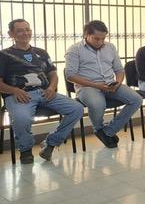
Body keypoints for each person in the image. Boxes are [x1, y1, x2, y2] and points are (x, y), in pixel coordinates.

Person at [0, 19, 83, 163]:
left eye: (27, 29)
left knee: (77, 108)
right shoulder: (4, 55)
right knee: (22, 118)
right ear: (11, 34)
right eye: (20, 30)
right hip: (20, 95)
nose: (25, 33)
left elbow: (53, 74)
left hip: (45, 93)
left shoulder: (41, 52)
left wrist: (51, 88)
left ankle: (51, 143)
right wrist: (14, 90)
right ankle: (26, 149)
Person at [65, 20, 142, 148]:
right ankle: (98, 128)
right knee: (98, 103)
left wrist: (118, 83)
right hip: (87, 87)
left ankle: (108, 131)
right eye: (96, 39)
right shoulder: (74, 50)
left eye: (103, 38)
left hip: (110, 84)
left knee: (136, 99)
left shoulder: (110, 47)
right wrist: (97, 86)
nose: (100, 42)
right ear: (86, 35)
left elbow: (119, 70)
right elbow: (70, 75)